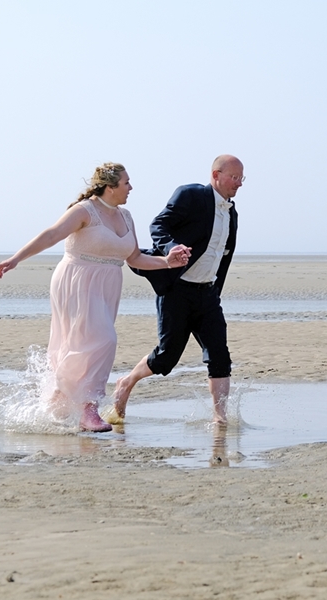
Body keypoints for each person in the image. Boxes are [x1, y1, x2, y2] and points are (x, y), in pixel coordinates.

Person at [0, 163, 191, 432]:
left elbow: (135, 258)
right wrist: (16, 259)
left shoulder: (127, 216)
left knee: (83, 345)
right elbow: (51, 235)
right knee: (104, 340)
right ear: (110, 187)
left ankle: (61, 397)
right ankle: (89, 409)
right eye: (126, 183)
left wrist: (167, 262)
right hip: (77, 281)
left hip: (108, 286)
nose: (131, 188)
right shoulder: (85, 211)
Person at [109, 155, 243, 425]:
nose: (238, 184)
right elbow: (158, 226)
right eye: (234, 177)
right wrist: (171, 248)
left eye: (241, 179)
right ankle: (127, 381)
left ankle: (220, 418)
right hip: (177, 290)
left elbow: (223, 257)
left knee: (220, 356)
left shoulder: (231, 213)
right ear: (216, 175)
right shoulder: (191, 195)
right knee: (167, 356)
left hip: (208, 294)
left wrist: (216, 290)